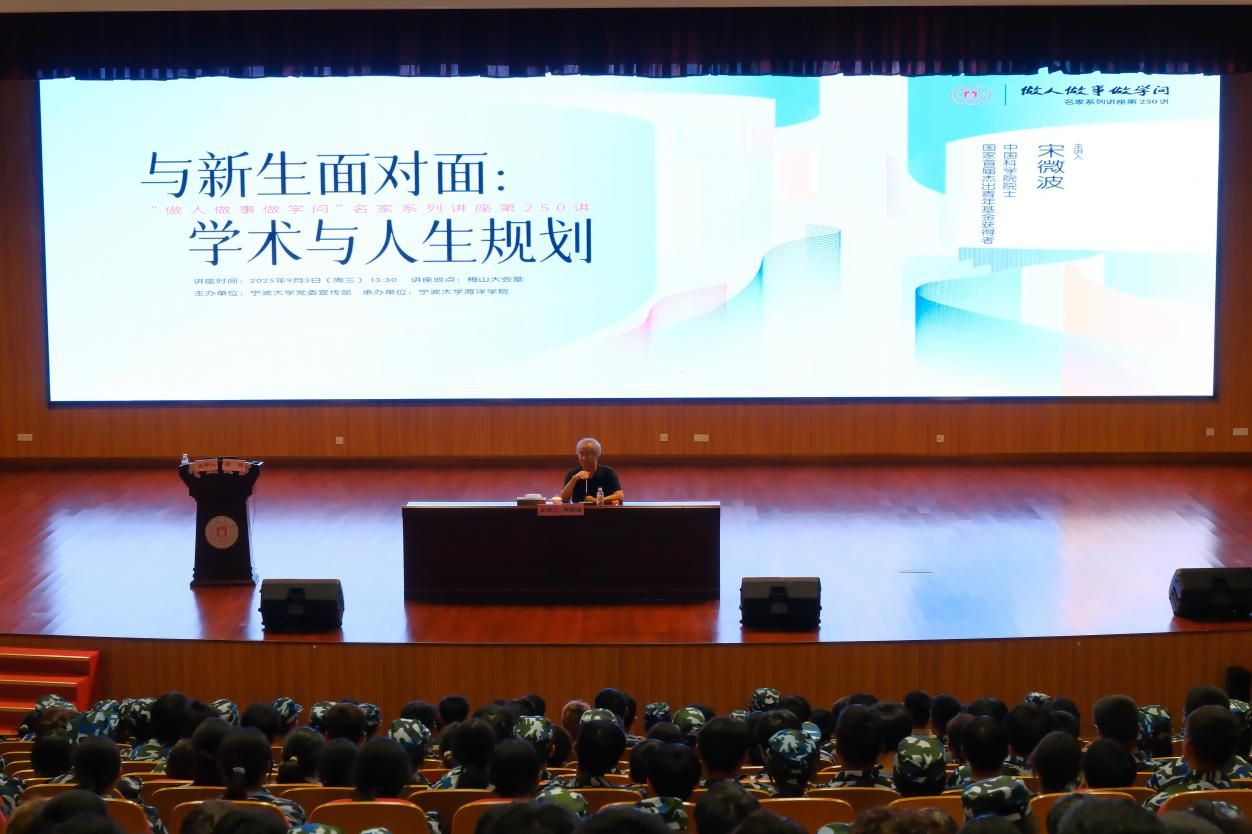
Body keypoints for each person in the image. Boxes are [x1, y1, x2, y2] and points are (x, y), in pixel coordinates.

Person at [560, 438, 623, 504]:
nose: (584, 458)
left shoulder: (609, 472)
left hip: (603, 510)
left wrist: (597, 500)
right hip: (579, 510)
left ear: (597, 455)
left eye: (587, 454)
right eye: (581, 454)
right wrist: (574, 479)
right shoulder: (572, 473)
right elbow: (563, 499)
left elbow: (620, 496)